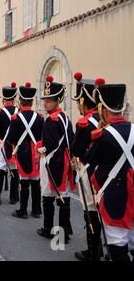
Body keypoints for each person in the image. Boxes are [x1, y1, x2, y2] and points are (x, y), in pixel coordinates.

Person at [86, 78, 134, 261]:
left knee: (117, 242)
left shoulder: (103, 136)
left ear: (104, 110)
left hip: (115, 197)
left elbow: (90, 159)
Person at [36, 76, 76, 243]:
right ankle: (64, 232)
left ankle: (48, 229)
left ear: (57, 101)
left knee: (48, 196)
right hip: (64, 161)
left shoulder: (51, 120)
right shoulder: (64, 118)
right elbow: (71, 139)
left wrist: (40, 148)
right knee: (63, 196)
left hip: (52, 161)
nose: (45, 103)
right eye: (45, 100)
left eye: (49, 100)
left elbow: (50, 144)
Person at [70, 73, 103, 261]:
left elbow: (76, 149)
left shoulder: (83, 123)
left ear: (83, 100)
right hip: (104, 174)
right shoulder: (102, 119)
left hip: (88, 172)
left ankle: (93, 251)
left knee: (90, 210)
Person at [7, 82, 44, 219]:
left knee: (24, 181)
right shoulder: (39, 118)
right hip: (36, 153)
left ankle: (23, 210)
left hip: (22, 152)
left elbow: (10, 138)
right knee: (35, 181)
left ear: (21, 101)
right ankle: (36, 210)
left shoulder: (16, 119)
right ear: (32, 101)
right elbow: (42, 136)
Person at [0, 82, 19, 205]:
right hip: (17, 145)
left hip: (3, 144)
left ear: (4, 99)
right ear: (14, 98)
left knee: (0, 168)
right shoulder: (19, 111)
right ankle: (13, 197)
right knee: (14, 170)